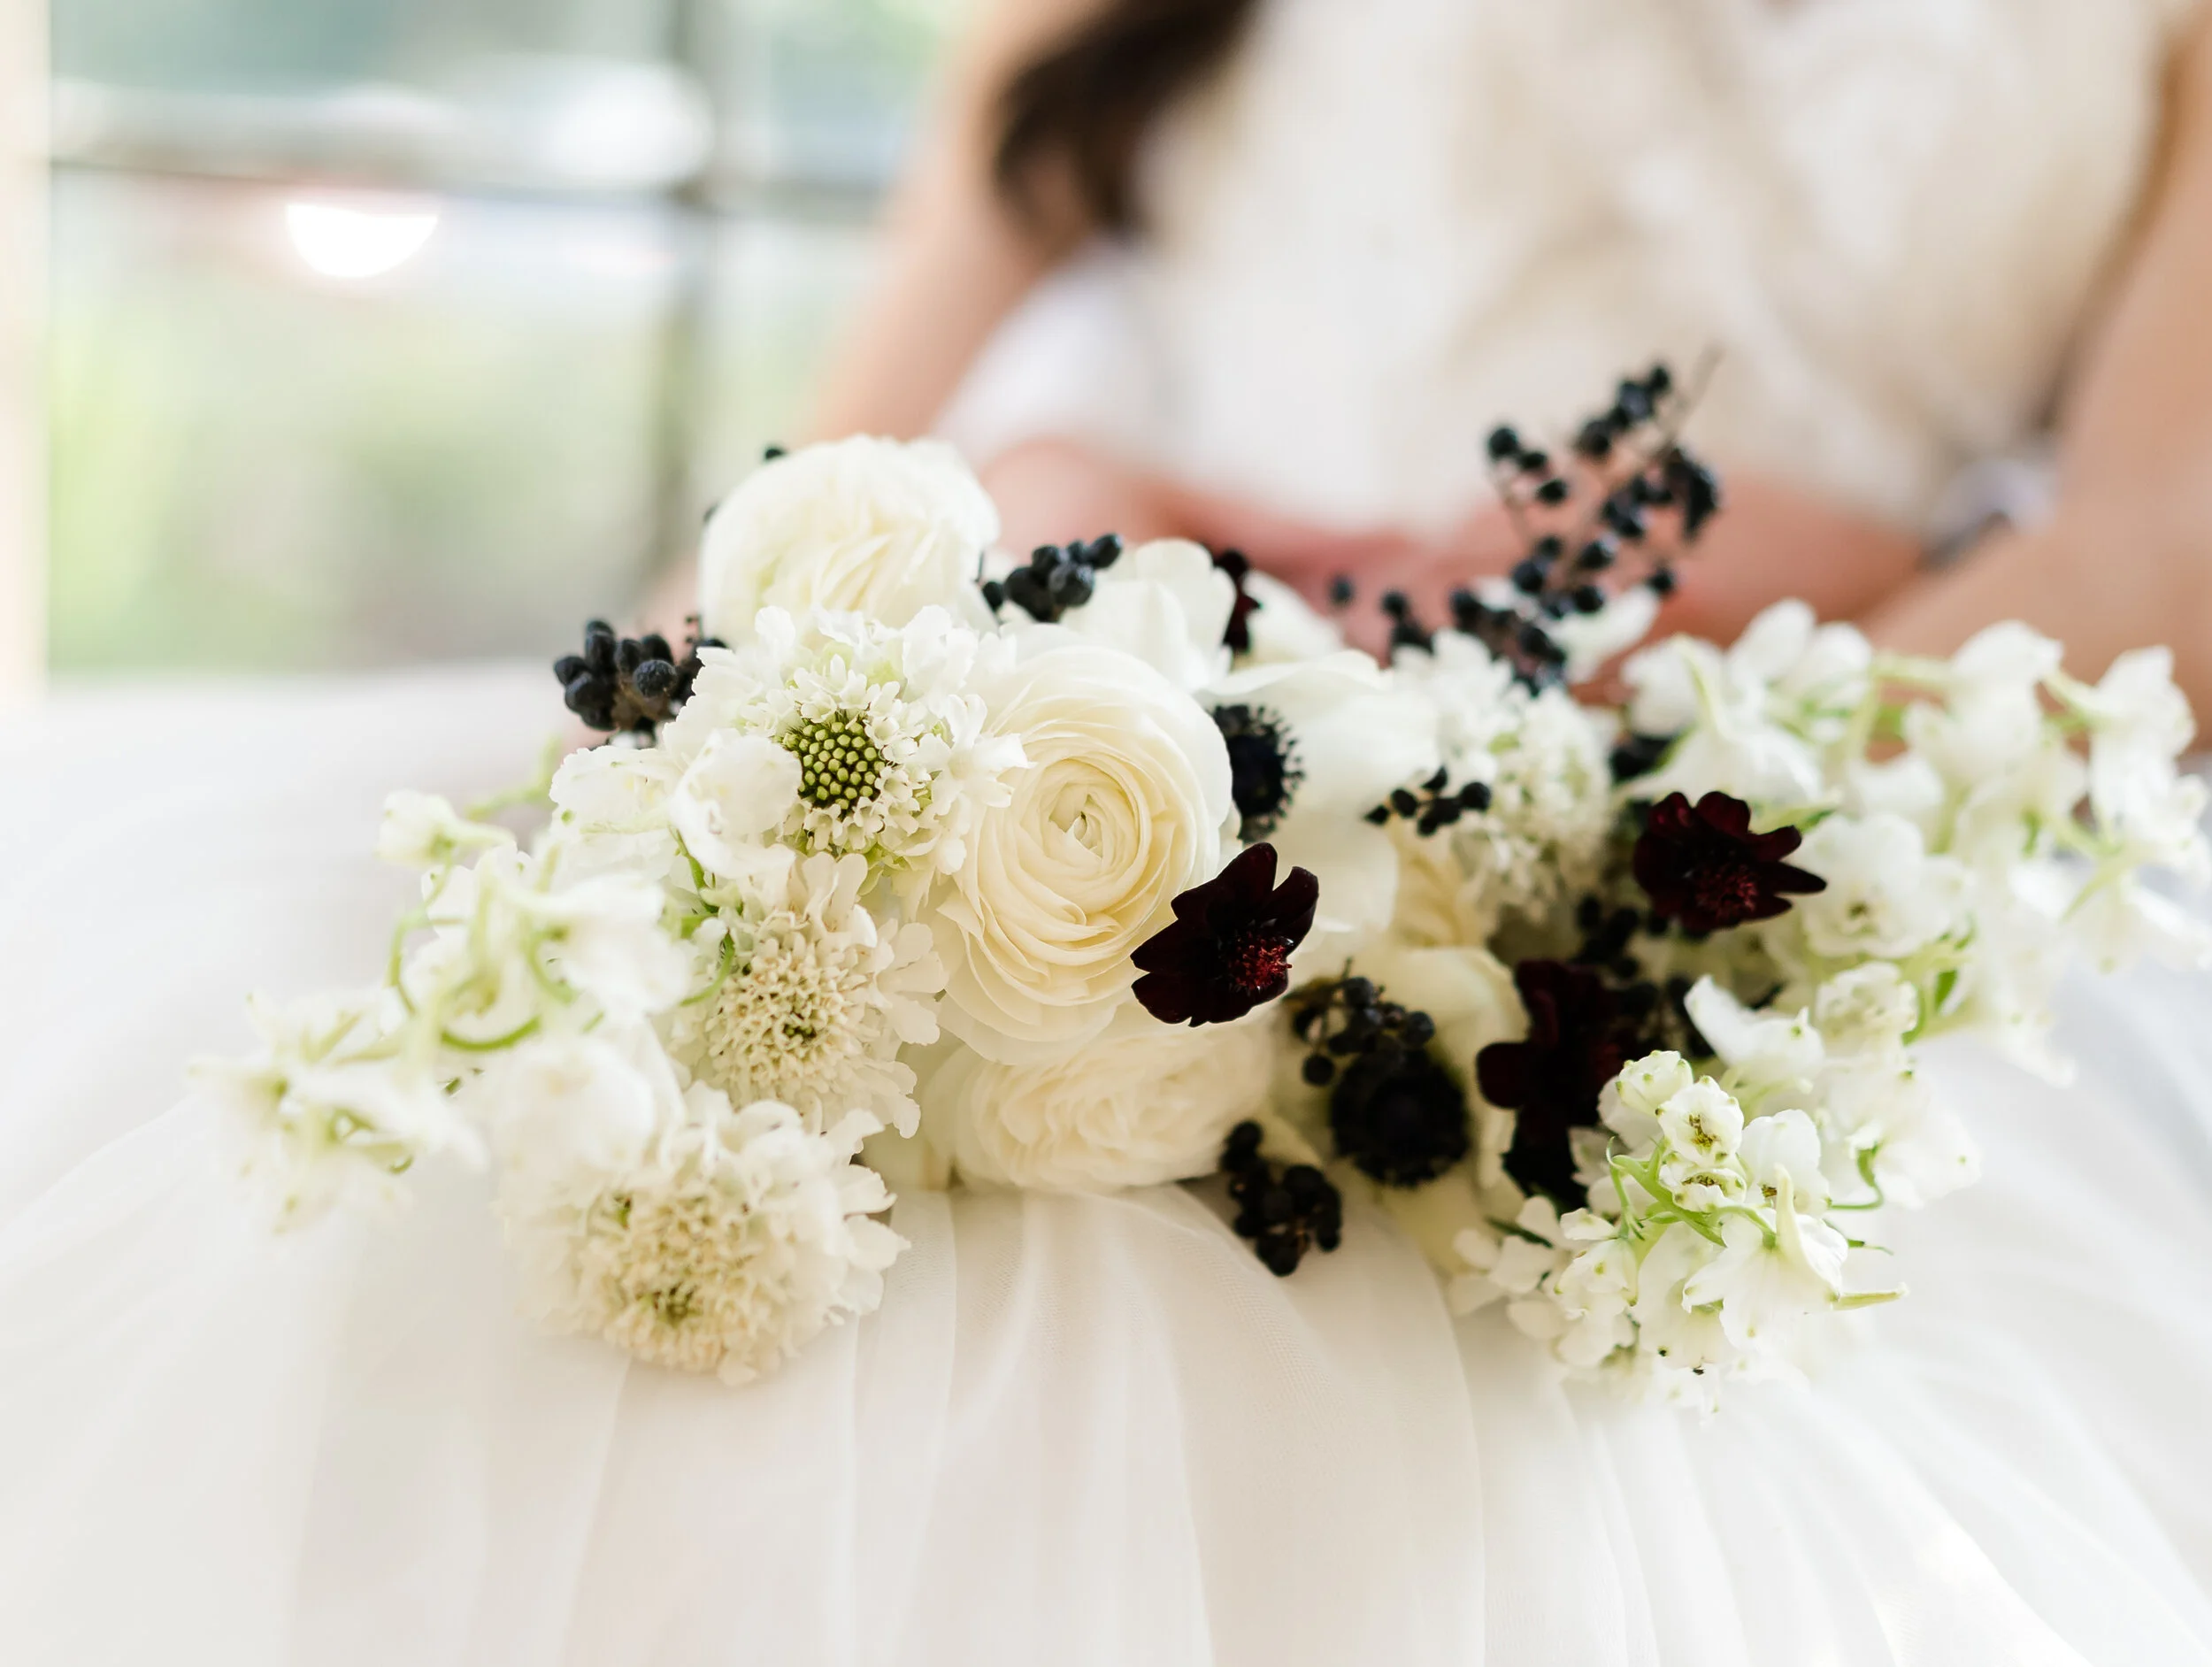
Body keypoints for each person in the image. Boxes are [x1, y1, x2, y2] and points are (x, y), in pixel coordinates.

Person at [6, 5, 2212, 1663]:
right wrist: (706, 715)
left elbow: (2154, 554)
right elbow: (865, 408)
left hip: (1691, 824)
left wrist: (1579, 757)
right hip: (1065, 696)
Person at [807, 0, 2212, 710]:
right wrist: (1053, 501)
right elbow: (860, 438)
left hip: (1814, 819)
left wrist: (1721, 789)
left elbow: (2164, 549)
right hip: (1163, 758)